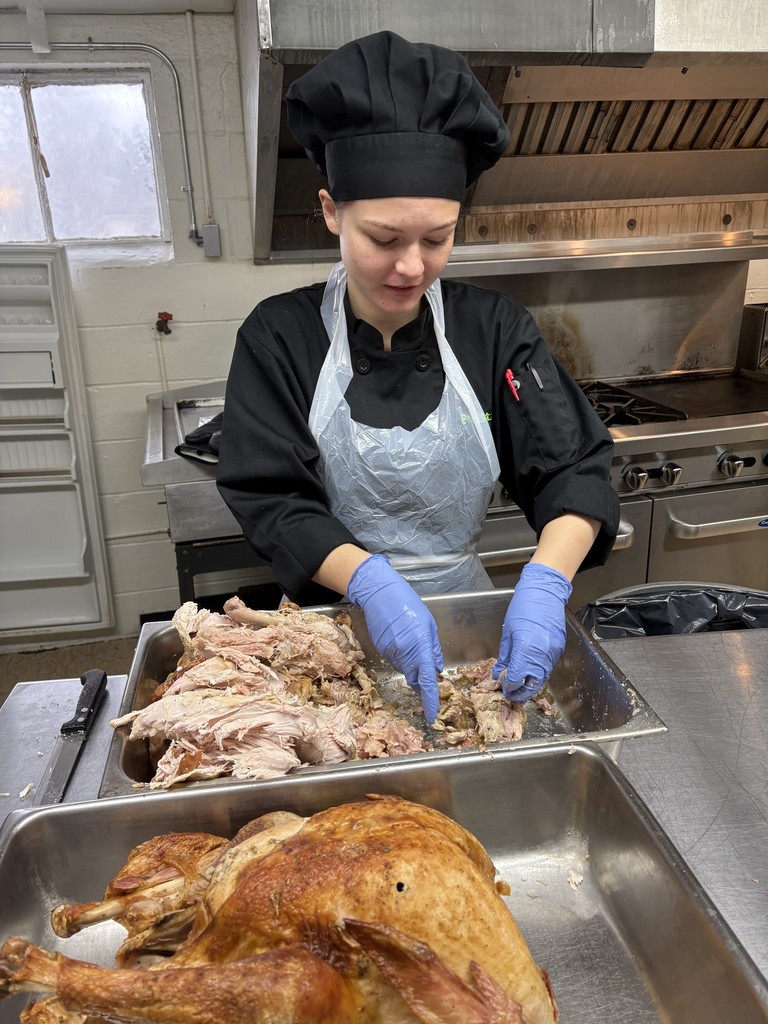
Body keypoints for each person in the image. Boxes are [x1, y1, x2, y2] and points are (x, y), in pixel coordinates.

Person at [217, 30, 620, 725]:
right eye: (383, 239)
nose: (411, 266)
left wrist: (547, 582)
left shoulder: (493, 328)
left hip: (468, 619)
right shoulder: (279, 336)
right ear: (330, 212)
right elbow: (273, 499)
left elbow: (572, 471)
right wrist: (370, 581)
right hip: (333, 629)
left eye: (437, 239)